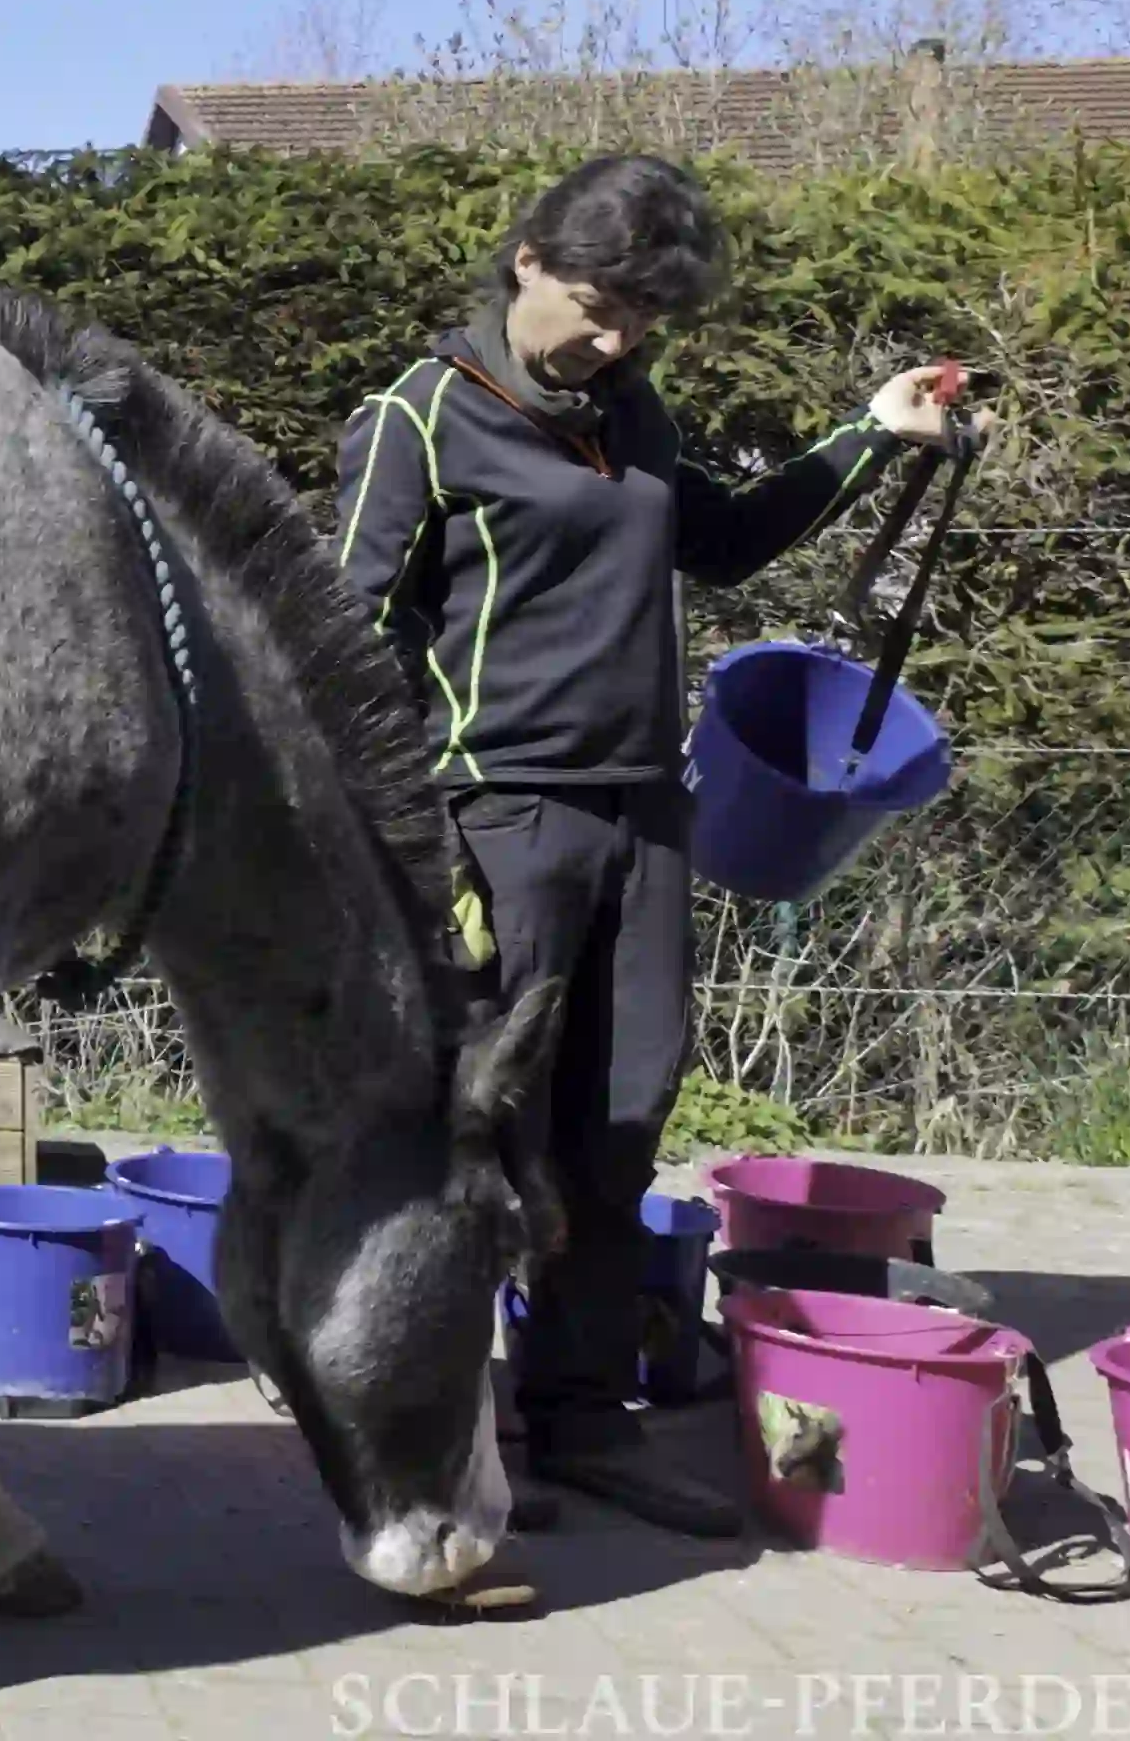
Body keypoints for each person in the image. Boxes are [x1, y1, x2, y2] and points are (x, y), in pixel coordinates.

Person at [333, 153, 979, 1541]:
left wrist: (872, 437)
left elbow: (725, 542)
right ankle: (432, 1437)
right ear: (528, 261)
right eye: (597, 306)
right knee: (474, 1135)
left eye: (642, 320)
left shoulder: (630, 413)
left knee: (619, 1123)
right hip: (495, 817)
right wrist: (412, 842)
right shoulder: (420, 416)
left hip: (643, 810)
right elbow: (347, 643)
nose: (617, 340)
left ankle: (579, 1418)